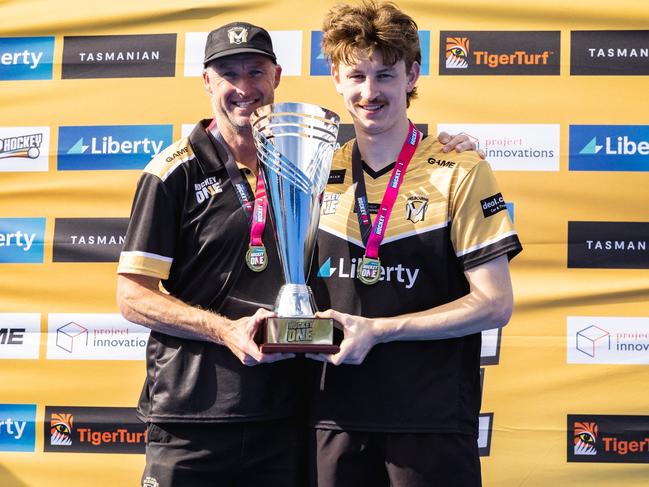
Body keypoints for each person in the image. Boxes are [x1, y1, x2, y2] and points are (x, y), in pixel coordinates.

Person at [116, 18, 478, 487]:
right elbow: (132, 296)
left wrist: (456, 150)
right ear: (207, 81)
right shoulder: (172, 172)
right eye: (229, 74)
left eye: (255, 72)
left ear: (277, 77)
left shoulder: (312, 164)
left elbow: (395, 159)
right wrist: (224, 330)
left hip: (287, 416)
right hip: (193, 416)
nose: (244, 88)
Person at [306, 2, 523, 487]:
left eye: (385, 75)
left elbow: (495, 304)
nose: (369, 92)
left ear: (412, 75)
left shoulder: (460, 169)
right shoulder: (316, 171)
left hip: (430, 418)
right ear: (336, 81)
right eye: (356, 75)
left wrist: (379, 330)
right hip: (334, 416)